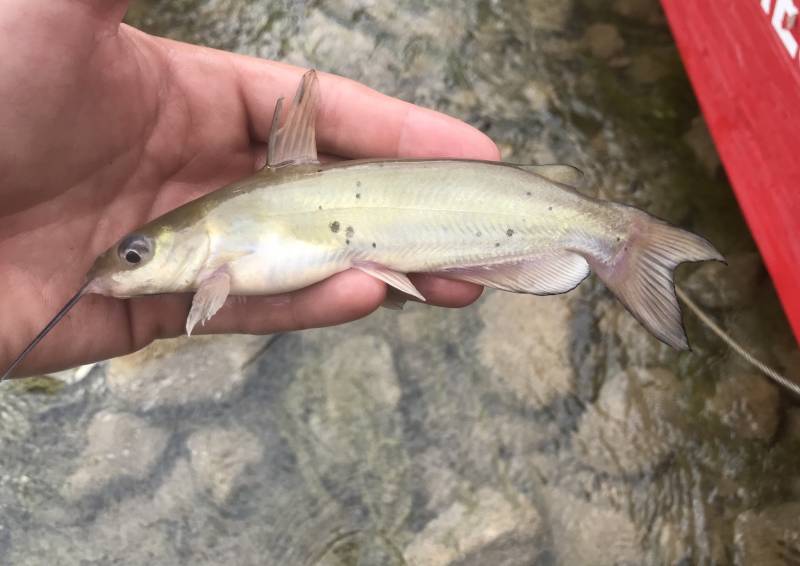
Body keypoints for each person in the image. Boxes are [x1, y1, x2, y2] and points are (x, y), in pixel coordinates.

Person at [0, 1, 498, 377]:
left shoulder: (216, 258)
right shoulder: (206, 262)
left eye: (135, 256)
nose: (125, 268)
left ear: (188, 234)